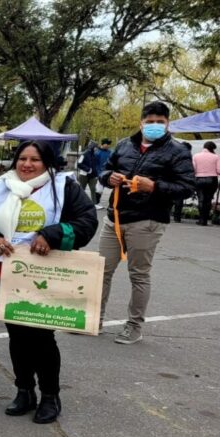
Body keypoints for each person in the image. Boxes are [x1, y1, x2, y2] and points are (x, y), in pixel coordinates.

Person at [0, 140, 97, 424]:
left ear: (48, 163)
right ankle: (24, 391)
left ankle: (50, 395)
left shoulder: (64, 187)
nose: (27, 164)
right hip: (7, 272)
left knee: (41, 338)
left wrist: (52, 234)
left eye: (35, 160)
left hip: (44, 275)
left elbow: (87, 221)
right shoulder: (0, 185)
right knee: (17, 336)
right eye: (22, 158)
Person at [99, 101, 194, 345]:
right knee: (101, 272)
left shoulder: (178, 151)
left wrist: (154, 186)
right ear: (141, 122)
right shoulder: (124, 145)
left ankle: (134, 326)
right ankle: (94, 319)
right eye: (149, 121)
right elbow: (105, 171)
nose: (154, 125)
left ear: (167, 124)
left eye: (159, 122)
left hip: (147, 221)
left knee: (139, 275)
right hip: (115, 218)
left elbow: (186, 188)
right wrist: (110, 177)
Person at [191, 142, 219, 226]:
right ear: (213, 148)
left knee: (201, 199)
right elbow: (219, 170)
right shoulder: (216, 157)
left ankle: (201, 220)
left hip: (199, 179)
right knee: (208, 199)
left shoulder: (196, 156)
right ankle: (205, 220)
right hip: (212, 179)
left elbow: (193, 169)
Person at [78, 139, 111, 205]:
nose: (96, 148)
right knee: (82, 190)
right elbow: (79, 164)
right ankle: (79, 203)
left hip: (93, 175)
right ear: (92, 147)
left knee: (94, 189)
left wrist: (95, 173)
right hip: (84, 175)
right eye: (95, 147)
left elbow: (94, 164)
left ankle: (95, 203)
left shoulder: (93, 154)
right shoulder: (84, 154)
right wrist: (88, 169)